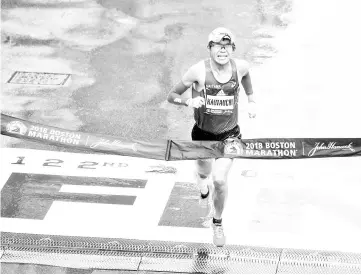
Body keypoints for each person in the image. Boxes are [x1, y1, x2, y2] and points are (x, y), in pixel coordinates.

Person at [167, 27, 256, 247]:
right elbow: (172, 95)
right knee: (205, 174)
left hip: (230, 137)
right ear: (210, 48)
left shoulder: (241, 67)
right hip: (202, 136)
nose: (222, 50)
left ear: (232, 48)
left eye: (227, 46)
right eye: (218, 46)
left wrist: (252, 100)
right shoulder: (197, 71)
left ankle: (217, 223)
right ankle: (202, 185)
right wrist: (188, 102)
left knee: (220, 179)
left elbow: (245, 78)